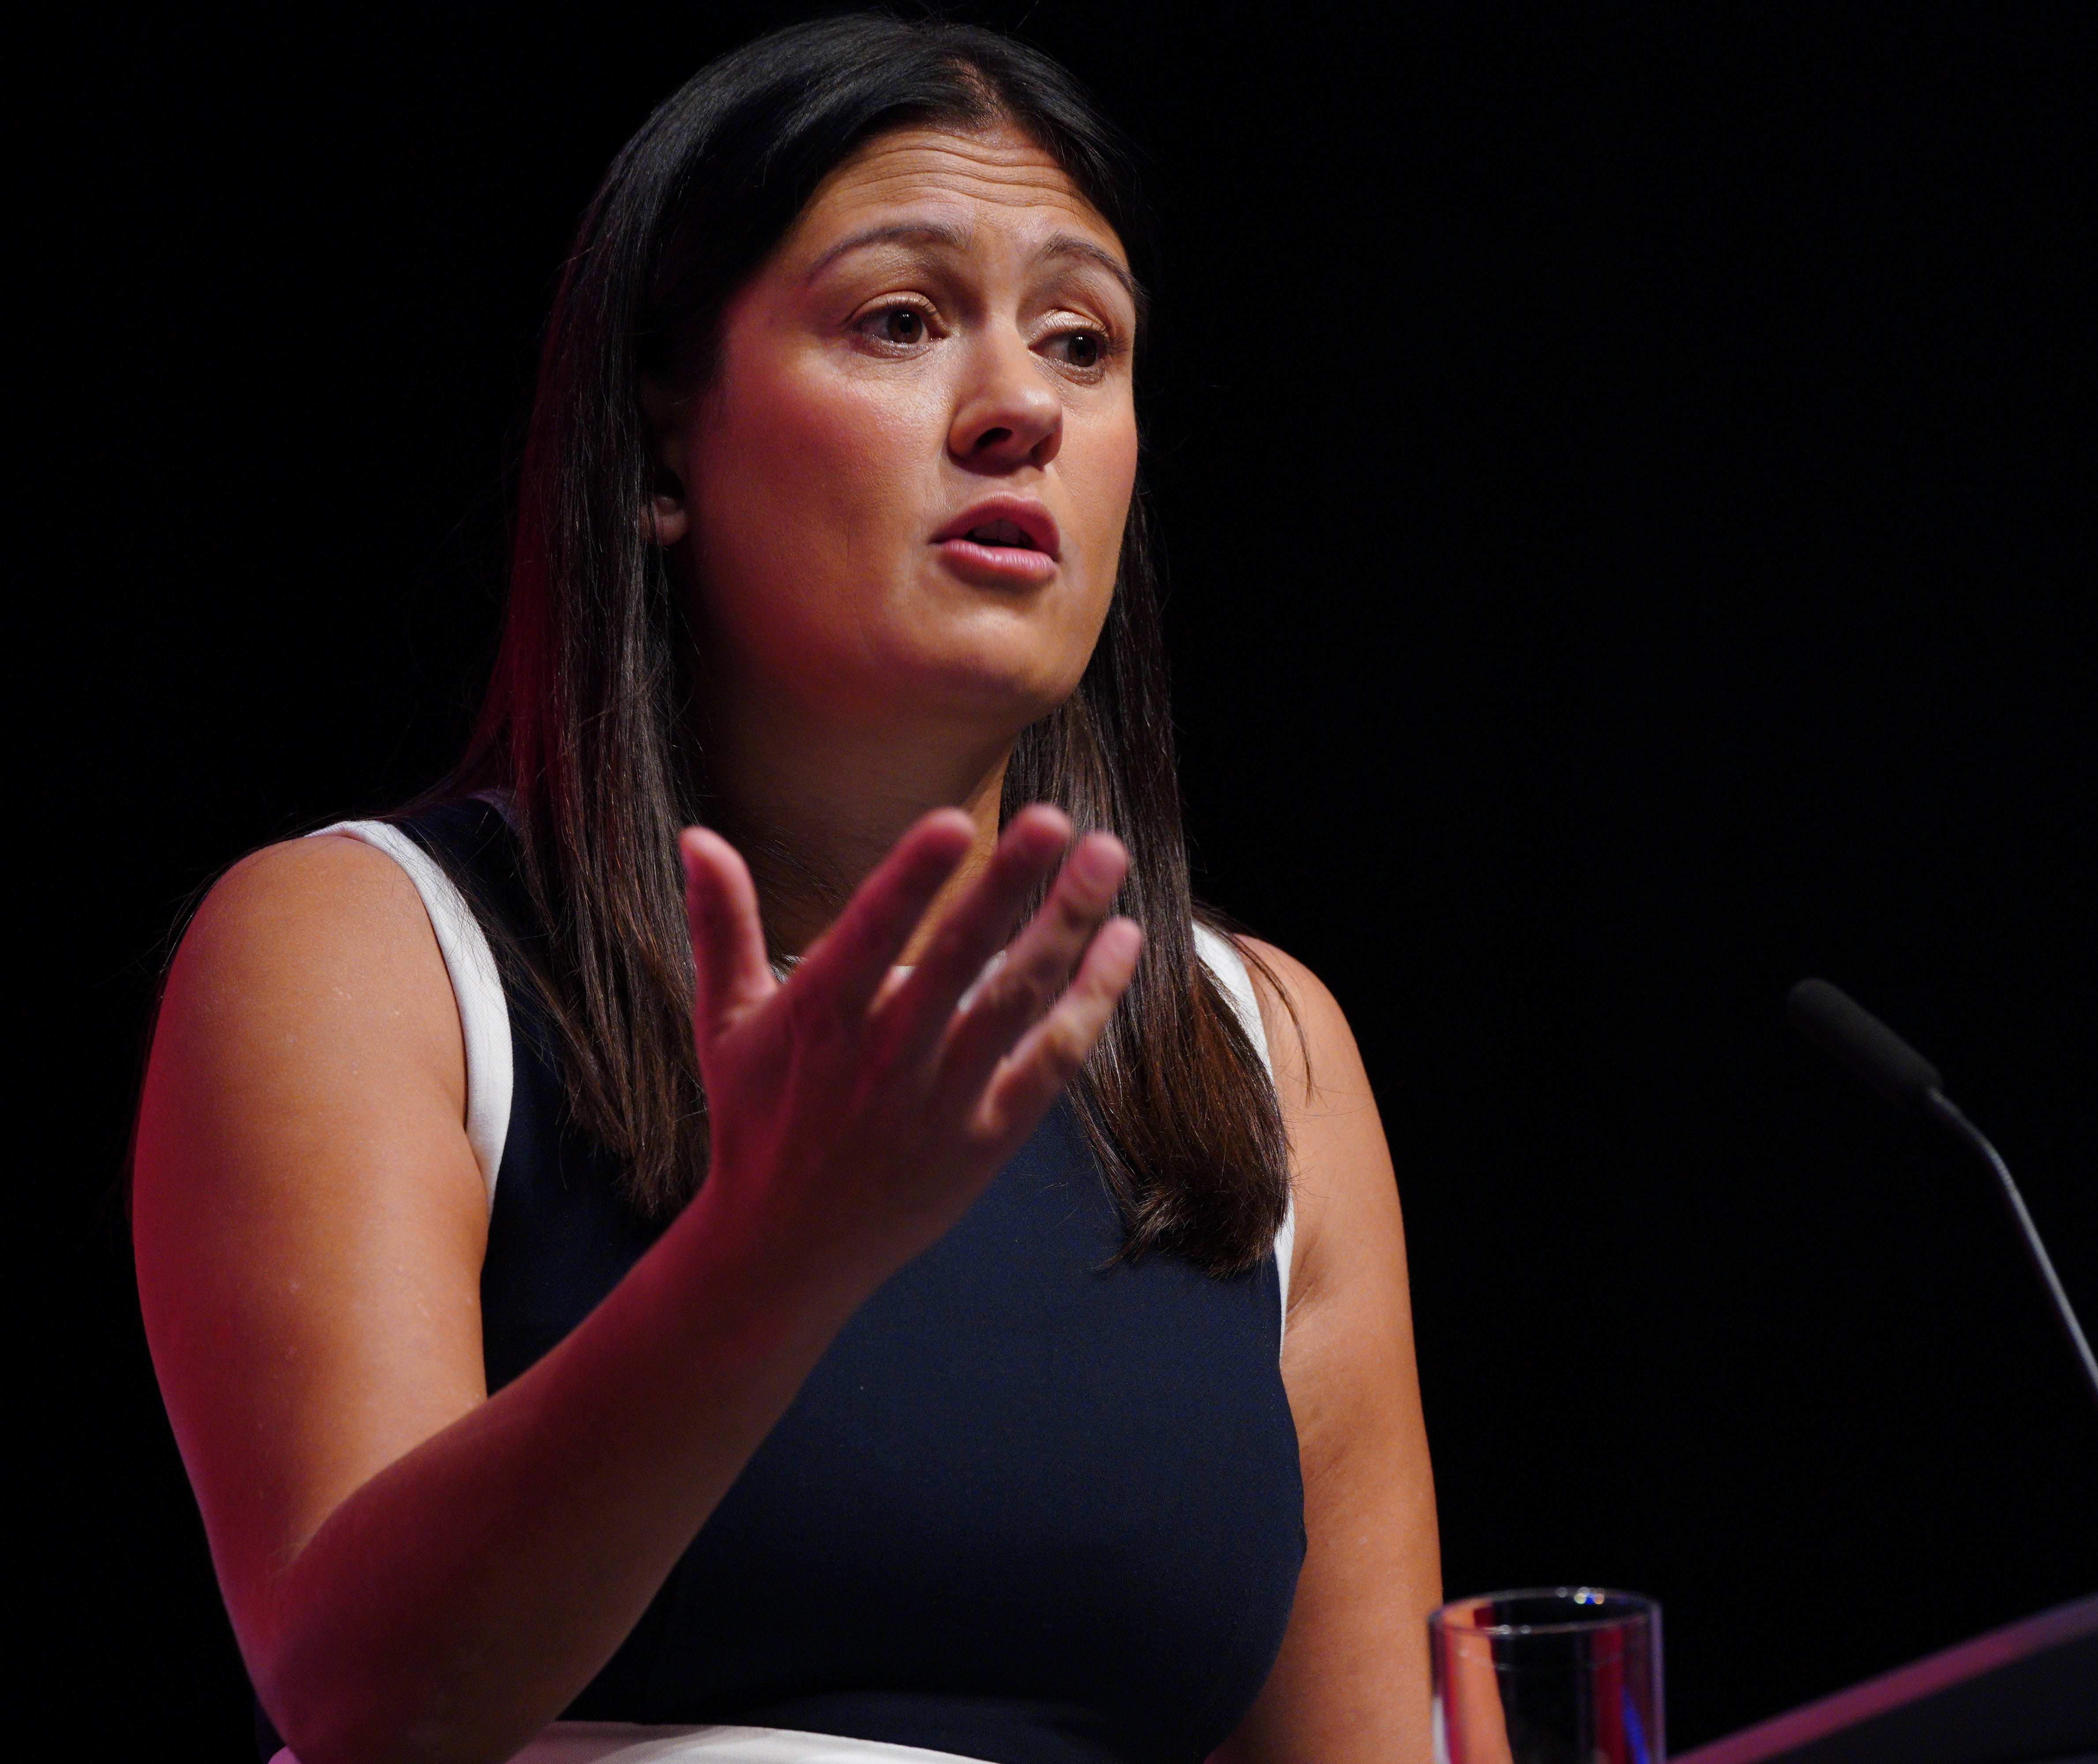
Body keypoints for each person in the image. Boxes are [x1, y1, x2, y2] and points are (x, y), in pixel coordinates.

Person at [130, 17, 1440, 1763]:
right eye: (901, 321)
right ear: (666, 440)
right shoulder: (362, 946)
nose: (1021, 407)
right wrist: (770, 1260)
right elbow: (362, 1696)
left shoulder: (1260, 1050)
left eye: (1085, 341)